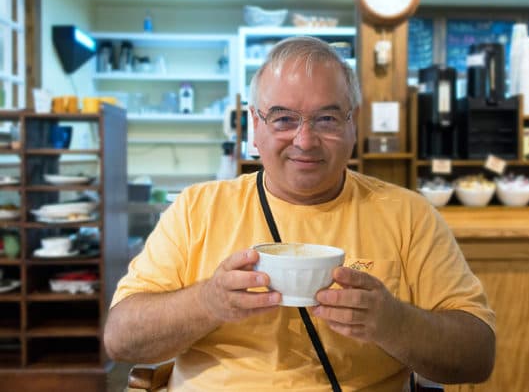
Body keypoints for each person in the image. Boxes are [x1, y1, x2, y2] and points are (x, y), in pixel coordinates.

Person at [104, 36, 495, 391]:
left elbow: (477, 355)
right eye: (283, 119)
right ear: (255, 126)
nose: (305, 141)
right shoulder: (197, 208)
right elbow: (120, 338)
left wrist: (392, 322)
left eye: (326, 119)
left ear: (352, 124)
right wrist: (208, 301)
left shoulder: (408, 214)